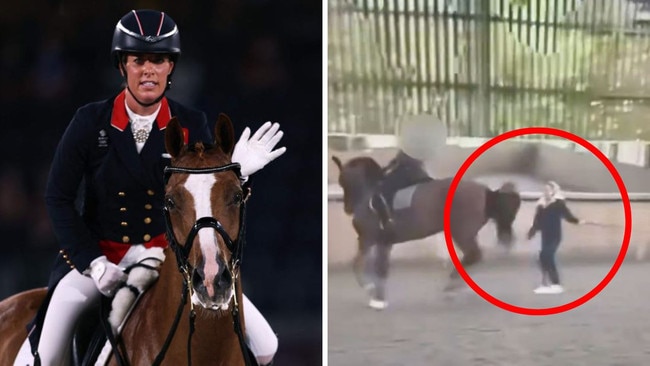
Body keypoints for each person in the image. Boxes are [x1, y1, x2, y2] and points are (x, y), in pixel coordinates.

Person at [13, 9, 282, 366]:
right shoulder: (90, 122)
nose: (149, 70)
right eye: (139, 60)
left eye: (159, 60)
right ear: (123, 65)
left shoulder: (190, 123)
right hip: (98, 261)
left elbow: (208, 198)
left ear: (171, 67)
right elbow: (57, 198)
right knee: (42, 356)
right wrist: (92, 262)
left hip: (168, 261)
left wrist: (236, 174)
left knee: (266, 346)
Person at [527, 181, 589, 295]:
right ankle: (545, 284)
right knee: (542, 257)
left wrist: (578, 221)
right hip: (545, 235)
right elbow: (537, 221)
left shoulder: (558, 204)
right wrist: (532, 231)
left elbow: (568, 216)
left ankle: (556, 284)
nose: (546, 192)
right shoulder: (540, 205)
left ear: (553, 191)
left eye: (548, 190)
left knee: (548, 256)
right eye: (544, 190)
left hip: (555, 235)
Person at [372, 149, 432, 232]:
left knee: (383, 192)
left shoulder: (403, 158)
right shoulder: (412, 166)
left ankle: (386, 221)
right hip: (417, 174)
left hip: (406, 175)